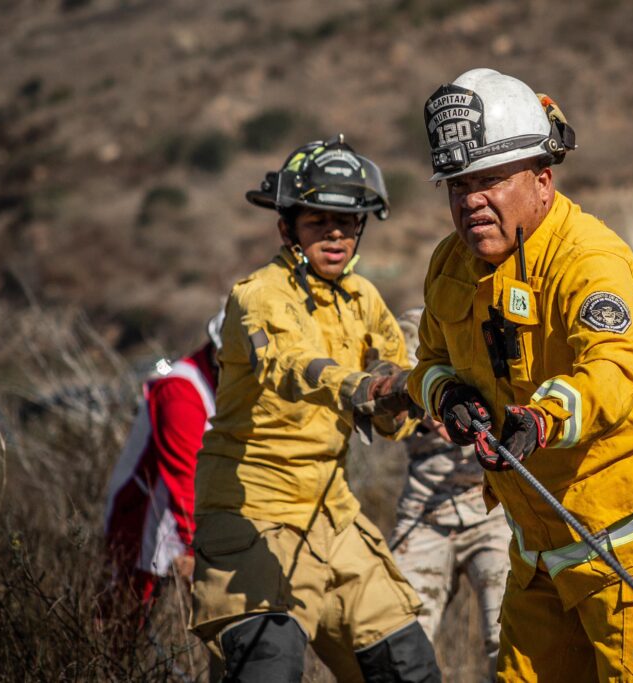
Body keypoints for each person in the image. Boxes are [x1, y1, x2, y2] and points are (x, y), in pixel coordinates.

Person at [408, 68, 633, 682]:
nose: (471, 200)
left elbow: (613, 368)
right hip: (542, 544)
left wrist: (545, 417)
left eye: (490, 180)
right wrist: (447, 395)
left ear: (542, 180)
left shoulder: (589, 260)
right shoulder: (449, 265)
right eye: (458, 183)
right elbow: (428, 362)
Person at [189, 135, 440, 682]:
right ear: (287, 227)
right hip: (253, 512)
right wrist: (364, 387)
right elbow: (289, 363)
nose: (334, 234)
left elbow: (392, 412)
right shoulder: (259, 295)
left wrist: (417, 399)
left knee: (408, 668)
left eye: (348, 222)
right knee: (269, 665)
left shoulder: (364, 299)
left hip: (334, 513)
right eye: (318, 220)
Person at [389, 307, 511, 681]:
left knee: (507, 642)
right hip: (426, 509)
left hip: (493, 508)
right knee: (396, 635)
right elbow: (386, 389)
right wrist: (423, 402)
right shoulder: (413, 327)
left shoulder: (501, 322)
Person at [103, 310, 223, 622]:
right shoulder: (181, 392)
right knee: (126, 619)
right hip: (144, 519)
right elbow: (186, 479)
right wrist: (199, 553)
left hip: (192, 520)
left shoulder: (224, 385)